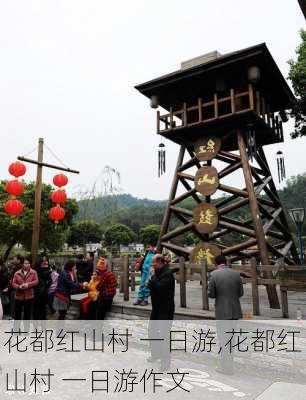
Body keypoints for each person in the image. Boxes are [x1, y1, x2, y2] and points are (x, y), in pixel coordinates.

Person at [208, 254, 244, 375]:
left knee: (223, 340)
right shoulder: (236, 274)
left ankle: (225, 368)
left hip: (222, 312)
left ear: (216, 263)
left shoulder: (214, 274)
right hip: (235, 311)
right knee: (231, 341)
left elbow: (211, 294)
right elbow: (240, 293)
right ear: (226, 262)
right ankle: (230, 366)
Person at [146, 254, 175, 371]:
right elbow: (153, 284)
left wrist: (152, 277)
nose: (153, 266)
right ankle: (155, 354)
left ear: (160, 262)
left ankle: (165, 362)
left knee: (164, 335)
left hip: (165, 309)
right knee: (152, 331)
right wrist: (151, 282)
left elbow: (160, 287)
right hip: (156, 307)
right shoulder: (158, 272)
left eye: (154, 264)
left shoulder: (168, 274)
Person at [12, 257, 39, 328]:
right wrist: (19, 287)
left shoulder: (33, 272)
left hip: (29, 296)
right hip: (18, 296)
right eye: (25, 263)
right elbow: (13, 283)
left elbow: (36, 281)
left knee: (27, 314)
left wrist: (28, 285)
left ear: (30, 264)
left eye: (28, 263)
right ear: (22, 264)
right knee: (17, 314)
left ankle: (26, 330)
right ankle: (16, 330)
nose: (27, 265)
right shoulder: (17, 273)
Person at [33, 257, 52, 321]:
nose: (46, 262)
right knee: (36, 310)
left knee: (43, 310)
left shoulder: (49, 271)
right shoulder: (36, 272)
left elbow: (49, 282)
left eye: (46, 261)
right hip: (37, 294)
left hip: (44, 294)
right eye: (43, 261)